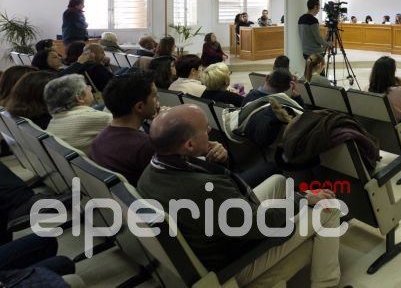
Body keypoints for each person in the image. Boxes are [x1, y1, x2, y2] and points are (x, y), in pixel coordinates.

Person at [137, 105, 341, 288]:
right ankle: (327, 283)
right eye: (205, 129)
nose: (210, 130)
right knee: (329, 206)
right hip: (236, 259)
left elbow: (218, 196)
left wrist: (217, 162)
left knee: (279, 181)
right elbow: (262, 223)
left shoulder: (150, 173)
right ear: (189, 145)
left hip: (217, 235)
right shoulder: (204, 188)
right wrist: (302, 199)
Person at [89, 73, 159, 185]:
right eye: (155, 96)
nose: (157, 100)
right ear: (140, 107)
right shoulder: (145, 146)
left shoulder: (98, 141)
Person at [44, 74, 112, 153]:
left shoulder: (53, 122)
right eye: (87, 87)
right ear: (79, 98)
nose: (90, 88)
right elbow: (121, 122)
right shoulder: (92, 118)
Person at [236, 69, 302, 149]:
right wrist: (297, 97)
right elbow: (302, 117)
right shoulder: (283, 107)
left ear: (267, 78)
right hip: (270, 147)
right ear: (287, 88)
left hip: (246, 138)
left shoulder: (250, 95)